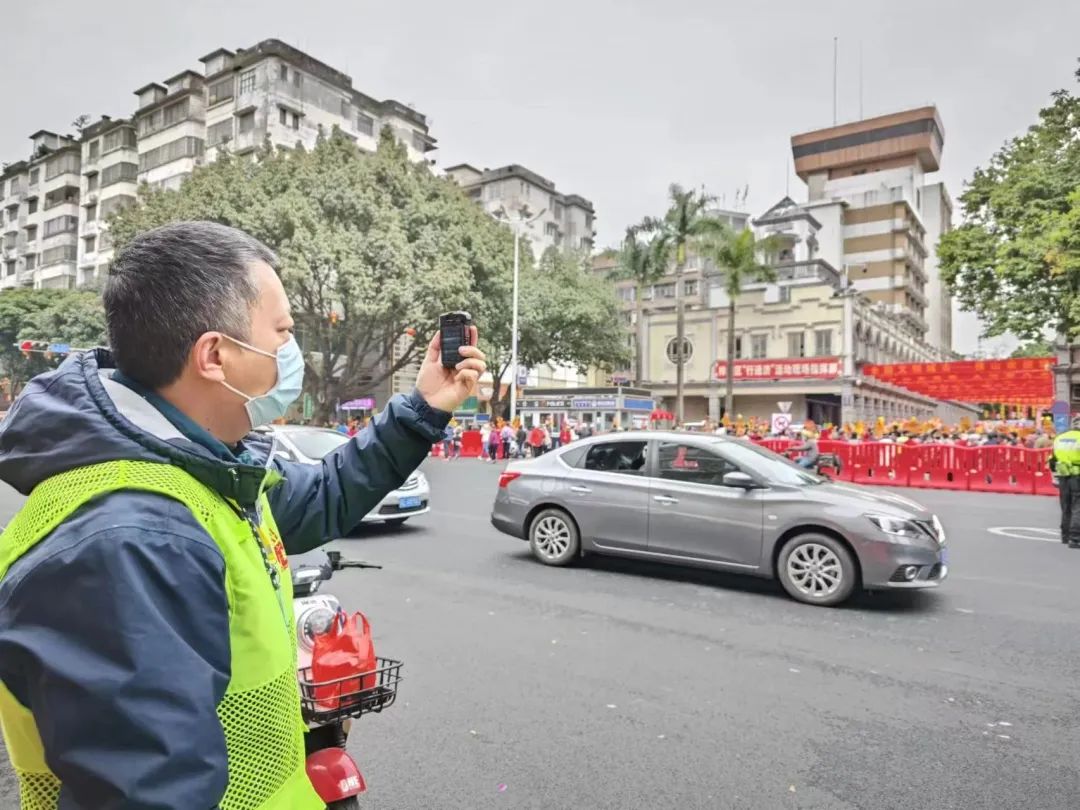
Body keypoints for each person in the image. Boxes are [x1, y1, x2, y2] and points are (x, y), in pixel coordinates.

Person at [0, 222, 486, 808]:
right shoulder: (131, 539)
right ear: (214, 355)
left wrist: (424, 407)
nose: (291, 351)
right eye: (281, 332)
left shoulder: (211, 468)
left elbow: (319, 498)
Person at [1050, 417, 1080, 548]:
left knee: (1065, 506)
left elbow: (1052, 460)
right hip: (1077, 475)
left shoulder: (1060, 438)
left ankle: (1065, 535)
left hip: (1063, 476)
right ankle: (1075, 537)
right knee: (1077, 506)